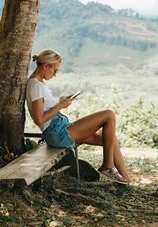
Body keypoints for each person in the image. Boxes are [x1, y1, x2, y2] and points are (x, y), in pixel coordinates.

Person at [26, 49, 131, 184]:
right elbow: (39, 119)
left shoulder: (38, 84)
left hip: (60, 129)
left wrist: (60, 102)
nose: (55, 75)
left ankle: (127, 181)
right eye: (55, 70)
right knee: (109, 115)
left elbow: (45, 109)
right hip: (57, 133)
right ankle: (108, 165)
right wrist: (60, 106)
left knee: (110, 138)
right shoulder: (35, 85)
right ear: (46, 66)